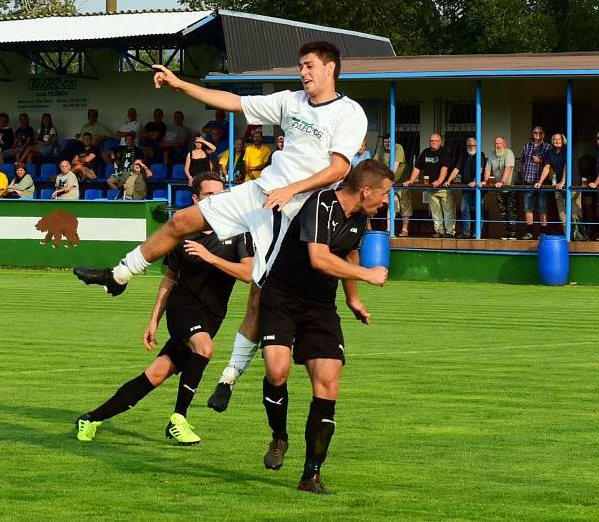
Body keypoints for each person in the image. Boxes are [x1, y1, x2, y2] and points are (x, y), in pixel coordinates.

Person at [73, 41, 367, 414]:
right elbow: (231, 101)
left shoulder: (349, 113)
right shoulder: (290, 101)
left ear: (330, 69)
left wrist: (290, 189)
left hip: (295, 212)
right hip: (259, 192)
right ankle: (118, 275)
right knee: (181, 220)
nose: (303, 72)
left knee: (260, 290)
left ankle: (229, 375)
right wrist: (180, 85)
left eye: (309, 66)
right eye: (301, 66)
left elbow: (339, 169)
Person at [75, 172, 254, 444]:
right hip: (183, 308)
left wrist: (210, 257)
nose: (216, 200)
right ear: (196, 199)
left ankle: (91, 418)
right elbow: (169, 281)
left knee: (155, 375)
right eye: (209, 195)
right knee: (204, 349)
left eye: (220, 195)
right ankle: (178, 419)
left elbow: (248, 273)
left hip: (213, 316)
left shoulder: (238, 232)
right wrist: (154, 320)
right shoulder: (182, 233)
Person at [256, 159, 392, 494]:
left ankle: (311, 475)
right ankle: (279, 436)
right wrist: (369, 276)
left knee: (328, 384)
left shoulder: (360, 218)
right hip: (282, 297)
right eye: (386, 192)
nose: (388, 200)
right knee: (277, 371)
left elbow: (349, 256)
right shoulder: (320, 203)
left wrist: (353, 299)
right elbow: (319, 258)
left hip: (319, 306)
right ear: (366, 190)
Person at [402, 133, 454, 237]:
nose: (433, 143)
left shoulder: (444, 152)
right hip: (430, 187)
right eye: (431, 141)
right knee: (435, 211)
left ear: (440, 142)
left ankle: (450, 232)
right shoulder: (425, 152)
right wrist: (411, 180)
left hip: (443, 188)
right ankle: (439, 232)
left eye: (435, 141)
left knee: (448, 210)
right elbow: (417, 167)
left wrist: (439, 181)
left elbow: (445, 168)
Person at [534, 133, 578, 235]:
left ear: (563, 141)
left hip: (572, 184)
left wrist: (563, 181)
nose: (556, 141)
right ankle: (566, 235)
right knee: (562, 212)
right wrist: (540, 182)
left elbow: (566, 166)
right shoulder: (550, 152)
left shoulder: (568, 150)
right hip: (559, 185)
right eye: (554, 139)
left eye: (559, 139)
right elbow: (547, 167)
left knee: (574, 212)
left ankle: (577, 236)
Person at [444, 137, 485, 238]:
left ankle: (477, 234)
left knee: (478, 211)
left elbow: (480, 169)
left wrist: (475, 181)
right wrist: (448, 180)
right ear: (466, 146)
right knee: (464, 209)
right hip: (467, 188)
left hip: (478, 189)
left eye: (474, 145)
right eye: (469, 145)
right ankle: (466, 233)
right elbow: (457, 168)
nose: (471, 147)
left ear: (477, 146)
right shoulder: (464, 154)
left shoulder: (480, 154)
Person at [518, 126, 552, 239]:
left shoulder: (548, 147)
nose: (537, 134)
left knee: (542, 208)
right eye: (535, 132)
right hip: (528, 181)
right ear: (532, 133)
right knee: (528, 208)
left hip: (542, 183)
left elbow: (550, 165)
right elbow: (522, 163)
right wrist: (523, 177)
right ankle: (529, 233)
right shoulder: (526, 146)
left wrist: (540, 161)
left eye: (540, 132)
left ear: (543, 134)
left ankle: (543, 233)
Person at [481, 136, 517, 240]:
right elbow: (487, 169)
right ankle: (506, 233)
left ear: (504, 144)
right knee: (503, 211)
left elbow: (508, 168)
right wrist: (485, 180)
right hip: (498, 188)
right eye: (496, 144)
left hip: (510, 186)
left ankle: (513, 234)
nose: (498, 146)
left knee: (511, 211)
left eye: (500, 143)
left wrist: (502, 181)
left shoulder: (509, 152)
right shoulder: (492, 154)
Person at [378, 135, 411, 236]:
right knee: (392, 206)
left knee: (405, 206)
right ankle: (389, 230)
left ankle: (405, 230)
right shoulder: (381, 149)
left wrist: (387, 183)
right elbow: (375, 164)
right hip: (391, 184)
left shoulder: (398, 147)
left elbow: (394, 168)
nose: (388, 144)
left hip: (402, 183)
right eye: (386, 142)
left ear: (394, 143)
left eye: (390, 142)